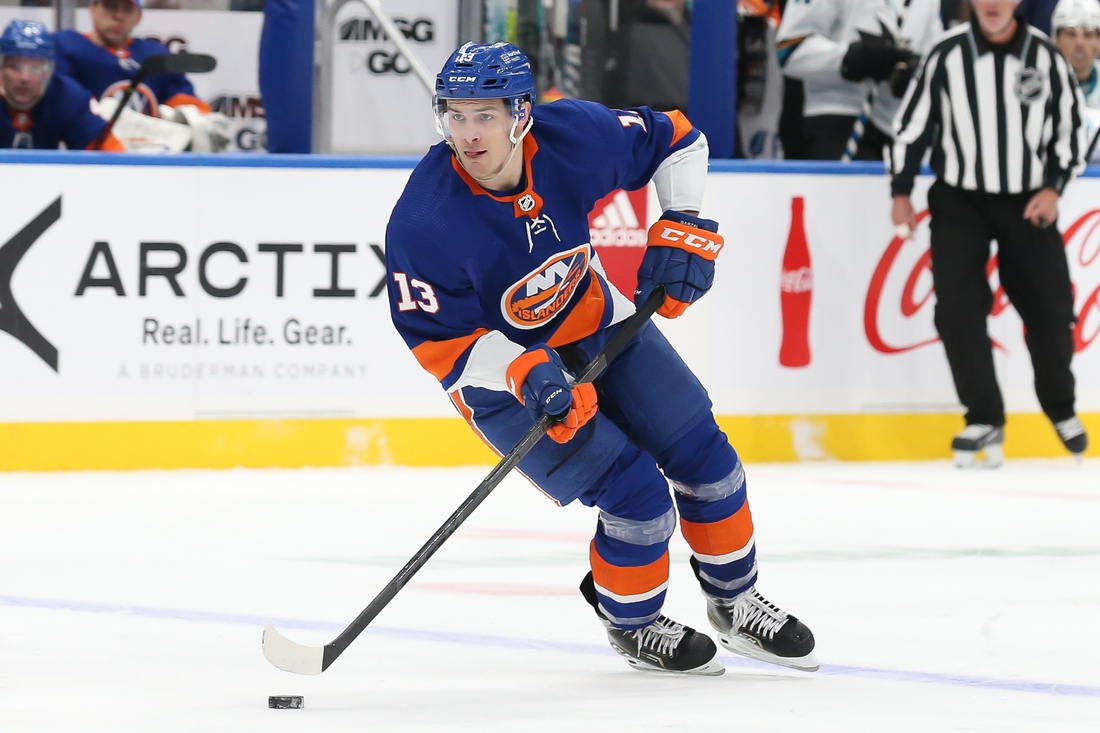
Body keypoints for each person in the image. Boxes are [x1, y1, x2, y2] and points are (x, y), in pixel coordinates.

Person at [385, 42, 818, 676]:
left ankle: (736, 602)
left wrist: (683, 224)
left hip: (598, 325)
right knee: (636, 497)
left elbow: (678, 137)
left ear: (522, 113)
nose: (469, 134)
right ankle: (634, 624)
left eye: (485, 115)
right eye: (455, 114)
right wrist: (526, 372)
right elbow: (438, 343)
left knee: (708, 459)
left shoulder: (574, 137)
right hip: (501, 379)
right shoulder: (423, 220)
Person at [891, 0, 1090, 466]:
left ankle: (1060, 405)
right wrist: (901, 191)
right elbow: (911, 126)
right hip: (960, 199)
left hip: (1028, 201)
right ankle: (983, 417)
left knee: (1051, 310)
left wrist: (1054, 187)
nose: (994, 4)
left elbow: (1072, 130)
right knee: (957, 309)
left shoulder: (1045, 56)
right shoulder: (946, 54)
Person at [52, 0, 228, 151]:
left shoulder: (154, 54)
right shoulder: (68, 47)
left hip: (149, 153)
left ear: (138, 16)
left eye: (127, 9)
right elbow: (63, 101)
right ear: (93, 9)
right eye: (111, 6)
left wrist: (184, 117)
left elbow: (187, 102)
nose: (119, 16)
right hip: (92, 153)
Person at [777, 0, 941, 160]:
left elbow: (934, 63)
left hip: (895, 132)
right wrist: (849, 58)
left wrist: (914, 74)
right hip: (832, 119)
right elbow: (788, 50)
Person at [0, 20, 124, 151]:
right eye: (15, 67)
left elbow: (109, 154)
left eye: (35, 68)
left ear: (49, 72)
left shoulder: (67, 97)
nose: (24, 78)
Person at [1051, 0, 1100, 161]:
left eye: (1088, 34)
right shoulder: (1038, 84)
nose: (1080, 43)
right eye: (1071, 34)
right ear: (1055, 39)